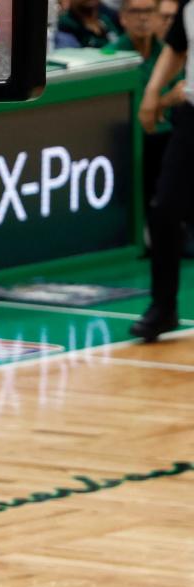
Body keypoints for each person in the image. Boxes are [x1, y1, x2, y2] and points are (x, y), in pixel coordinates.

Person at [103, 0, 187, 257]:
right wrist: (164, 100)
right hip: (129, 137)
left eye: (148, 12)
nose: (142, 19)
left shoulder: (168, 53)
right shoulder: (111, 56)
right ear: (122, 18)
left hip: (167, 133)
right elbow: (135, 110)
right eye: (135, 12)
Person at [132, 0, 193, 340]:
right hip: (191, 118)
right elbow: (177, 47)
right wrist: (153, 92)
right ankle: (163, 307)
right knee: (165, 210)